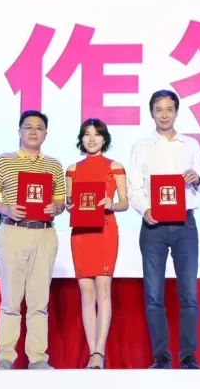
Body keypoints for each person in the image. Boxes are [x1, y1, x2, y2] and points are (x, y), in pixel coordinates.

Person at [127, 90, 200, 370]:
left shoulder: (191, 144)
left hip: (185, 223)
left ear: (177, 112)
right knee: (153, 295)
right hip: (154, 226)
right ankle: (161, 357)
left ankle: (188, 357)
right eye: (159, 109)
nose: (164, 114)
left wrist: (197, 179)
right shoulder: (141, 146)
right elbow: (134, 187)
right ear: (151, 113)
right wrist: (144, 210)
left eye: (169, 109)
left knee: (189, 294)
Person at [0, 110, 66, 370]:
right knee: (10, 301)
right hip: (14, 232)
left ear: (45, 134)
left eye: (39, 128)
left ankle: (38, 358)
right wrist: (6, 209)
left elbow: (61, 201)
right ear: (19, 131)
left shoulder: (54, 165)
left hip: (44, 233)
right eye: (28, 127)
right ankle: (5, 357)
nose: (33, 131)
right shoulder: (3, 161)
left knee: (39, 302)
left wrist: (56, 207)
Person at [65, 118, 128, 369]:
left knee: (103, 291)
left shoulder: (115, 167)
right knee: (86, 293)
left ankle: (100, 352)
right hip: (81, 233)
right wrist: (69, 205)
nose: (91, 139)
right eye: (87, 134)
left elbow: (124, 202)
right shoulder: (72, 169)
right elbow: (69, 201)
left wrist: (112, 204)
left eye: (97, 134)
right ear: (81, 139)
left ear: (104, 139)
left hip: (105, 231)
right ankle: (92, 351)